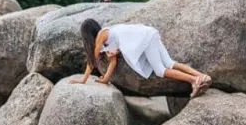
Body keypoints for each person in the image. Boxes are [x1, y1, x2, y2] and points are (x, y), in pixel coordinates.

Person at [73, 18, 211, 95]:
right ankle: (202, 76)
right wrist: (105, 80)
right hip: (149, 34)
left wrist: (83, 79)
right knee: (169, 63)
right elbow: (113, 62)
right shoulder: (106, 40)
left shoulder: (102, 35)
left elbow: (92, 60)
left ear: (87, 35)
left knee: (160, 71)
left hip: (146, 38)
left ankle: (194, 81)